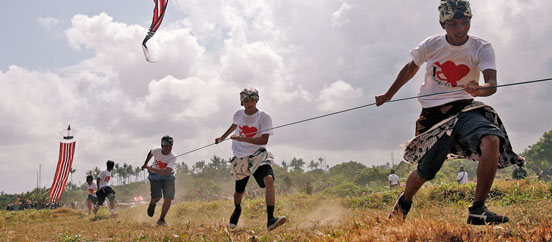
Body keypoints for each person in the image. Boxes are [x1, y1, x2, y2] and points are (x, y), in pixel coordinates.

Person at [376, 0, 524, 225]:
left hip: (465, 107)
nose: (460, 29)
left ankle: (478, 209)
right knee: (425, 172)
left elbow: (491, 84)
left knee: (491, 138)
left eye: (465, 22)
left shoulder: (481, 47)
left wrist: (479, 89)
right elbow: (410, 68)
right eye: (453, 24)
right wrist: (388, 95)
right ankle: (404, 201)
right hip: (433, 115)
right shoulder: (431, 45)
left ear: (470, 21)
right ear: (442, 24)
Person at [215, 88, 286, 231]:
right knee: (239, 191)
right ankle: (237, 209)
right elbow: (234, 125)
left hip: (257, 155)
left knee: (269, 180)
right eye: (246, 101)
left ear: (257, 100)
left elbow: (263, 141)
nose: (249, 103)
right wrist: (222, 137)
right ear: (242, 102)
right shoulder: (238, 114)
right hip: (240, 156)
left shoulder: (264, 117)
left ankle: (270, 219)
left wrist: (242, 138)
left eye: (252, 100)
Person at [141, 135, 177, 226]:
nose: (168, 148)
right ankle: (152, 203)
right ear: (162, 145)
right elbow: (150, 153)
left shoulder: (173, 156)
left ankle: (161, 219)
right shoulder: (156, 151)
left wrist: (150, 168)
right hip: (155, 177)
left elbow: (166, 172)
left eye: (170, 146)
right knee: (157, 197)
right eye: (166, 146)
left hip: (167, 177)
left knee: (168, 198)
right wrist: (145, 164)